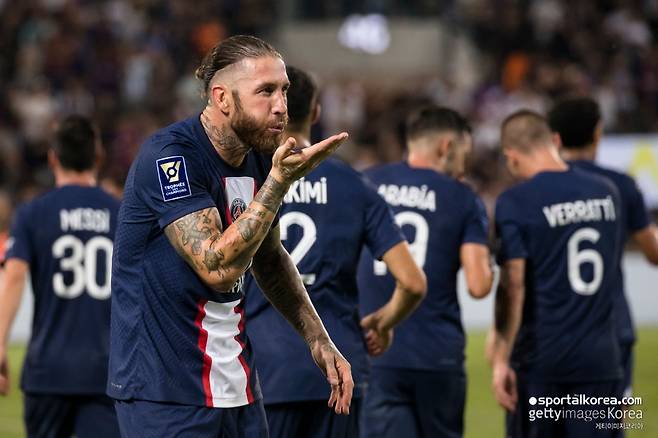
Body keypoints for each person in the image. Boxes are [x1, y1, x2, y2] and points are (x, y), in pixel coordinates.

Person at [107, 35, 353, 438]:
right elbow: (215, 267)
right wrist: (276, 185)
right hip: (164, 392)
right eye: (266, 91)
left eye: (284, 90)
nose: (281, 105)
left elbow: (269, 258)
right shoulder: (170, 156)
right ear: (222, 98)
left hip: (237, 385)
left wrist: (319, 340)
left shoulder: (259, 158)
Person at [243, 66, 427, 438]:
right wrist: (383, 322)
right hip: (339, 370)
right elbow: (412, 282)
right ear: (315, 112)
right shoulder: (355, 185)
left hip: (264, 369)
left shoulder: (246, 180)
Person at [358, 106, 493, 438]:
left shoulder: (367, 182)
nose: (464, 167)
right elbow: (478, 285)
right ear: (447, 147)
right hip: (437, 354)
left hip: (374, 351)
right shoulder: (462, 197)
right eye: (464, 155)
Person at [492, 110, 624, 437]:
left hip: (542, 364)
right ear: (554, 140)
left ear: (511, 156)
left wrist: (501, 357)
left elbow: (514, 284)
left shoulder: (515, 201)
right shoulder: (607, 192)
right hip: (602, 363)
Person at [0, 115, 121, 438]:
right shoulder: (120, 213)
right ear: (98, 157)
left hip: (47, 371)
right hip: (105, 370)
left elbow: (14, 276)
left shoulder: (32, 213)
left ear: (53, 158)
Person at [548, 97, 658, 400]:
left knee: (552, 416)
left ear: (554, 137)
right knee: (608, 420)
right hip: (610, 325)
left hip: (551, 330)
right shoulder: (621, 185)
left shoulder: (534, 190)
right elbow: (653, 253)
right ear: (597, 133)